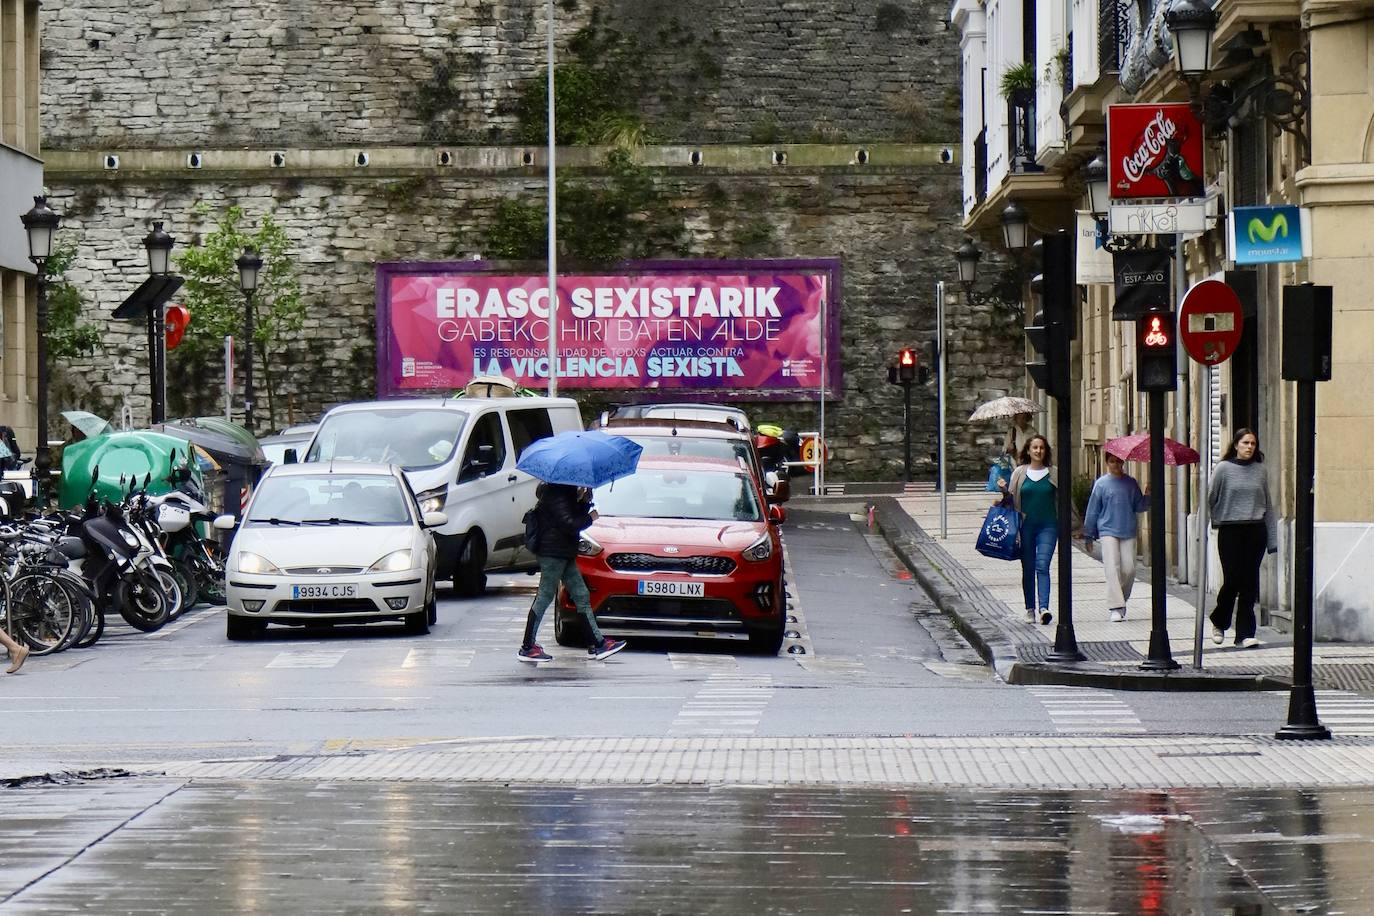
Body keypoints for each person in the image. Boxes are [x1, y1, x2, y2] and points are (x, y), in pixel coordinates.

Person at [518, 482, 627, 663]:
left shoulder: (565, 491)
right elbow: (568, 523)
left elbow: (569, 517)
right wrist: (590, 517)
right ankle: (528, 647)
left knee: (581, 594)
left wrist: (584, 501)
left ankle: (597, 644)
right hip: (553, 553)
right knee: (545, 596)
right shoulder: (557, 492)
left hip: (563, 552)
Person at [1208, 429, 1277, 649]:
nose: (1249, 447)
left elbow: (1268, 505)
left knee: (1249, 584)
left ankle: (1245, 634)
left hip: (1255, 530)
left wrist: (1272, 539)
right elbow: (1210, 498)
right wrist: (1211, 523)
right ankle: (1219, 621)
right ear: (1236, 444)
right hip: (1230, 531)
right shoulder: (1223, 469)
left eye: (1253, 444)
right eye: (1245, 443)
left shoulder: (1260, 471)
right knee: (1232, 580)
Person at [1082, 453, 1148, 623]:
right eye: (1112, 461)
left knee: (1129, 569)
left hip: (1128, 530)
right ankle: (1116, 606)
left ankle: (1121, 600)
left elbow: (1139, 506)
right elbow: (1093, 510)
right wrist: (1088, 535)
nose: (1116, 464)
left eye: (1118, 461)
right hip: (1107, 530)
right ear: (1107, 463)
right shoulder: (1101, 484)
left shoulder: (1131, 483)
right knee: (1112, 568)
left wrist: (1148, 495)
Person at [999, 435, 1057, 625]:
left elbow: (1064, 500)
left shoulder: (1054, 473)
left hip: (1048, 526)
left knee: (1042, 565)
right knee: (1028, 567)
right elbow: (1011, 501)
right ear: (1028, 451)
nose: (1038, 451)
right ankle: (1030, 608)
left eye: (1041, 447)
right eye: (1035, 447)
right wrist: (1004, 491)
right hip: (1025, 527)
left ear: (1046, 451)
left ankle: (1044, 608)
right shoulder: (1019, 473)